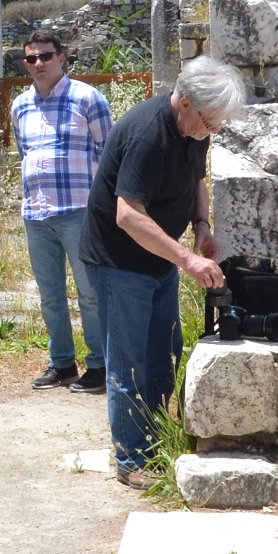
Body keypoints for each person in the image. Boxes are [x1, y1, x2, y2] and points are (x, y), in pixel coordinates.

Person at [80, 56, 247, 488]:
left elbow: (196, 181)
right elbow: (127, 216)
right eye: (211, 122)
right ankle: (131, 458)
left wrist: (202, 227)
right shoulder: (147, 134)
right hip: (119, 263)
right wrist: (188, 260)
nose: (214, 131)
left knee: (163, 353)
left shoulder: (196, 130)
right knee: (129, 361)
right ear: (186, 103)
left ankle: (155, 442)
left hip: (160, 260)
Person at [9, 32, 113, 393]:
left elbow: (109, 153)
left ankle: (100, 366)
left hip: (80, 210)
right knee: (50, 294)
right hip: (36, 213)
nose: (38, 64)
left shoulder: (87, 98)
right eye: (30, 59)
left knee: (89, 293)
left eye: (45, 56)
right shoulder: (20, 105)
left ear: (62, 58)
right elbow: (24, 153)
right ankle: (63, 364)